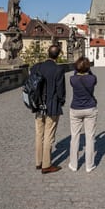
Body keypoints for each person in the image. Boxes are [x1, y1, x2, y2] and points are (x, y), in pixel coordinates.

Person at [31, 44, 66, 174]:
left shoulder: (36, 67)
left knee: (39, 134)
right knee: (49, 136)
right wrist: (61, 101)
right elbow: (61, 91)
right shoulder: (58, 70)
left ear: (47, 53)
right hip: (52, 106)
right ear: (58, 55)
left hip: (38, 106)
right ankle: (46, 165)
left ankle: (38, 162)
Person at [69, 56, 98, 173]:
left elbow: (76, 73)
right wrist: (88, 69)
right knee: (90, 137)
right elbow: (91, 74)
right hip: (90, 108)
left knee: (75, 137)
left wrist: (78, 69)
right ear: (88, 67)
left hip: (75, 109)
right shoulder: (92, 79)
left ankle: (74, 164)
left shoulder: (72, 79)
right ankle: (89, 165)